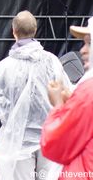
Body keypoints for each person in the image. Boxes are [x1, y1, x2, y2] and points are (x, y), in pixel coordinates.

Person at [0, 10, 71, 180]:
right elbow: (66, 95)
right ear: (35, 30)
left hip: (17, 141)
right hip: (51, 137)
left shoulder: (5, 67)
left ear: (13, 31)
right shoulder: (52, 62)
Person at [41, 17, 93, 180]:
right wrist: (72, 101)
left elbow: (55, 144)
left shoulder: (88, 90)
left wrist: (58, 105)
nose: (83, 50)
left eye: (89, 43)